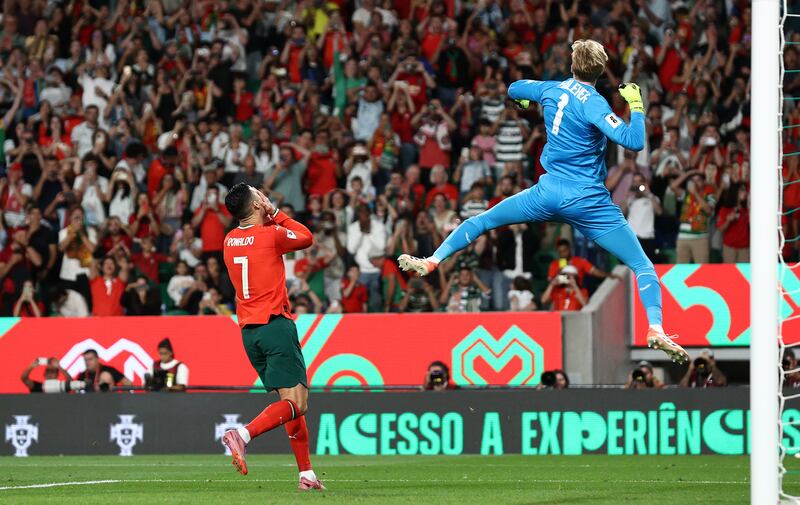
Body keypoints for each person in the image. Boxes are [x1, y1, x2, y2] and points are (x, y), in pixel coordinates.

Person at [398, 39, 689, 364]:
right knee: (642, 265)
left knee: (481, 221)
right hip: (588, 201)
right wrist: (635, 104)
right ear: (601, 70)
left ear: (572, 65)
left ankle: (433, 260)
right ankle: (655, 328)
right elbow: (633, 141)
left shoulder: (551, 89)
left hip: (548, 193)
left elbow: (514, 88)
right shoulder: (595, 103)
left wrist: (524, 102)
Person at [221, 182, 324, 491]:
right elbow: (306, 237)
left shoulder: (229, 240)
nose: (264, 199)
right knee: (299, 403)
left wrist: (262, 211)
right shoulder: (271, 234)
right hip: (275, 325)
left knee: (287, 401)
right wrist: (276, 212)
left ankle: (306, 475)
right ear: (256, 206)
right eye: (260, 197)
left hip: (249, 333)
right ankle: (243, 434)